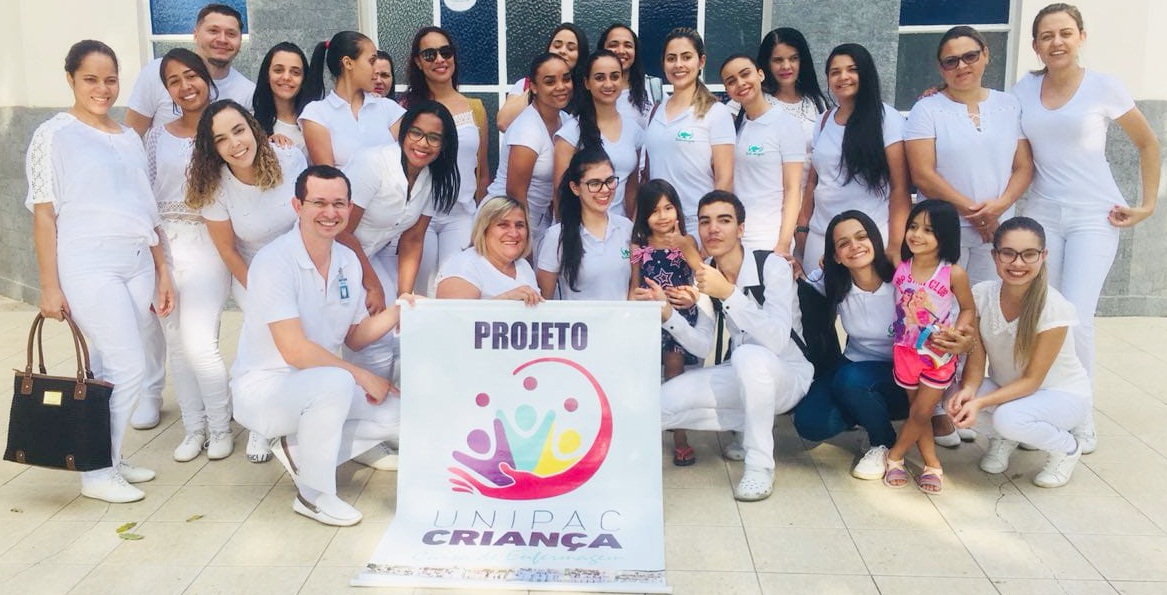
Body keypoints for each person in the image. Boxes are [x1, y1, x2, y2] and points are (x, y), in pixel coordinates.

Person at [27, 40, 175, 503]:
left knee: (110, 367)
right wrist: (49, 287)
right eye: (90, 79)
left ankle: (108, 455)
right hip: (88, 263)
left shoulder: (128, 136)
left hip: (137, 261)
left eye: (110, 79)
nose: (102, 88)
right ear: (70, 78)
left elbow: (146, 210)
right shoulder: (54, 134)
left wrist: (162, 270)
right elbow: (44, 214)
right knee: (129, 364)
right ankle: (95, 473)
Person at [1012, 3, 1160, 453]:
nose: (1056, 42)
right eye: (1046, 35)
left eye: (1065, 33)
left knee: (1076, 317)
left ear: (1081, 36)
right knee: (1042, 313)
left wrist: (1147, 205)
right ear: (1035, 45)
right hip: (1043, 214)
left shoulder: (1103, 87)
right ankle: (1044, 404)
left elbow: (1147, 143)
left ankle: (1080, 413)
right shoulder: (1023, 89)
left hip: (1094, 216)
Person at [231, 165, 407, 526]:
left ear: (349, 208)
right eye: (319, 203)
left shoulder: (347, 261)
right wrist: (361, 375)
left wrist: (399, 311)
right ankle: (313, 495)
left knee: (401, 414)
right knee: (338, 381)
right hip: (266, 389)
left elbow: (355, 335)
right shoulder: (274, 261)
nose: (330, 212)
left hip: (322, 386)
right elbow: (294, 350)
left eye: (339, 204)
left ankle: (302, 447)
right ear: (298, 206)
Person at [656, 191, 813, 501]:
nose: (713, 229)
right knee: (662, 402)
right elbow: (701, 345)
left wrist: (728, 293)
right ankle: (748, 421)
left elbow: (777, 339)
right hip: (742, 373)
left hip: (789, 374)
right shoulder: (706, 274)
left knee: (748, 355)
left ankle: (759, 465)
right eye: (705, 222)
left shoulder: (772, 266)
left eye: (724, 220)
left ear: (741, 229)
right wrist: (668, 315)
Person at [187, 99, 307, 463]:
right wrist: (262, 292)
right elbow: (227, 250)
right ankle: (260, 422)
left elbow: (309, 218)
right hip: (251, 270)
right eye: (221, 139)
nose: (235, 144)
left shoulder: (288, 159)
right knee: (267, 338)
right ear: (213, 148)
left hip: (298, 262)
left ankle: (298, 411)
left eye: (238, 130)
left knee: (307, 337)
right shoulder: (215, 186)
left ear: (253, 129)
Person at [948, 217, 1091, 488]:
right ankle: (1005, 437)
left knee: (1008, 418)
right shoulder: (981, 295)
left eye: (1028, 254)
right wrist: (968, 391)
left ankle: (1067, 448)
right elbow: (977, 363)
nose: (1017, 263)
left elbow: (1032, 382)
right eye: (1008, 253)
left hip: (1060, 395)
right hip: (1010, 391)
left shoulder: (1054, 307)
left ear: (1043, 256)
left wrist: (980, 403)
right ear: (995, 255)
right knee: (952, 398)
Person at [145, 49, 234, 462]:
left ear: (206, 78)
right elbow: (147, 195)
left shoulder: (223, 128)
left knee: (200, 342)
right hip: (164, 247)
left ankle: (220, 427)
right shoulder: (157, 135)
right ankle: (194, 428)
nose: (185, 86)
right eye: (174, 80)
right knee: (176, 345)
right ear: (167, 90)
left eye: (191, 75)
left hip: (208, 244)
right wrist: (155, 256)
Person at [339, 100, 459, 390]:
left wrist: (405, 295)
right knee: (370, 330)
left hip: (371, 253)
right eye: (416, 133)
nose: (423, 143)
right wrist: (373, 284)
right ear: (404, 133)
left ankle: (388, 400)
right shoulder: (373, 163)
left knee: (399, 325)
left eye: (434, 137)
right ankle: (363, 396)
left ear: (444, 144)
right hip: (336, 253)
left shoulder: (432, 176)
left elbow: (413, 238)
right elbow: (342, 231)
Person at [905, 26, 1033, 286]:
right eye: (951, 61)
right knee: (941, 303)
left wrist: (998, 209)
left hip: (998, 229)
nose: (961, 66)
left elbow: (1024, 166)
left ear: (985, 54)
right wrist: (979, 216)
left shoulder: (1009, 105)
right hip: (944, 231)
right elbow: (923, 174)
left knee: (988, 301)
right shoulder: (926, 110)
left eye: (970, 56)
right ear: (941, 68)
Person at [791, 211, 906, 479]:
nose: (854, 246)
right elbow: (802, 286)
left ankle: (884, 443)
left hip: (900, 376)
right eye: (843, 243)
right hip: (854, 366)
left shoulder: (901, 280)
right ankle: (868, 412)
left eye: (861, 237)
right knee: (810, 423)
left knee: (851, 379)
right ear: (835, 256)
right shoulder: (833, 282)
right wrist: (791, 271)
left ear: (875, 240)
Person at [882, 200, 976, 495]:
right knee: (916, 412)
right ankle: (931, 463)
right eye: (913, 226)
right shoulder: (900, 266)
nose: (916, 235)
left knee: (923, 412)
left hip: (937, 355)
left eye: (928, 230)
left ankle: (895, 455)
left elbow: (968, 308)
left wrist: (957, 333)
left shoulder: (953, 273)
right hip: (904, 352)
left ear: (945, 235)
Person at [798, 43, 909, 273]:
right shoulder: (823, 121)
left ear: (866, 73)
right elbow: (813, 182)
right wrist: (802, 227)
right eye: (835, 72)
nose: (843, 77)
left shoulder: (888, 119)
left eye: (852, 69)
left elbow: (900, 188)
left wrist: (896, 244)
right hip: (821, 236)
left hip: (868, 239)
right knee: (816, 296)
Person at [400, 27, 490, 296]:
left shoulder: (475, 108)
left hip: (461, 215)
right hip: (419, 215)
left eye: (445, 52)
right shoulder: (406, 108)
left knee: (456, 292)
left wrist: (479, 218)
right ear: (418, 62)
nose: (439, 59)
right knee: (420, 293)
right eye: (430, 54)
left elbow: (482, 171)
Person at [629, 179, 705, 466]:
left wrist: (693, 294)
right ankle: (643, 432)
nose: (662, 216)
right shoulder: (639, 246)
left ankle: (680, 437)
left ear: (677, 210)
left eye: (668, 208)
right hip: (648, 317)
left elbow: (701, 274)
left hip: (678, 317)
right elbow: (634, 285)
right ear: (644, 215)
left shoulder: (687, 241)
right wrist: (630, 314)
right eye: (654, 210)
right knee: (646, 374)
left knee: (675, 374)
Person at [644, 28, 734, 237]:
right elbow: (648, 173)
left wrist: (712, 228)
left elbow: (725, 179)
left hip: (697, 226)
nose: (678, 65)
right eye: (671, 58)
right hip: (658, 227)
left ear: (701, 61)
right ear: (663, 63)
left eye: (686, 57)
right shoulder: (655, 111)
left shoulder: (716, 112)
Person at [124, 3, 254, 136]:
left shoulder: (248, 93)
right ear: (195, 34)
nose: (222, 39)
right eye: (213, 31)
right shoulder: (159, 72)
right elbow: (131, 136)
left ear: (240, 40)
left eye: (231, 34)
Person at [486, 53, 573, 250]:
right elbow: (515, 194)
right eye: (550, 82)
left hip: (538, 222)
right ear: (533, 87)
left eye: (566, 79)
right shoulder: (527, 130)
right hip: (505, 221)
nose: (561, 86)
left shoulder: (566, 120)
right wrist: (525, 247)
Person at [721, 54, 805, 255]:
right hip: (736, 239)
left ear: (760, 74)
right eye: (731, 81)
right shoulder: (734, 127)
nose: (740, 83)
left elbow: (793, 190)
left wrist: (783, 243)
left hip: (769, 240)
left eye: (745, 74)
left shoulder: (787, 125)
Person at [552, 50, 644, 218]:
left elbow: (631, 191)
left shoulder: (634, 130)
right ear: (587, 83)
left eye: (614, 77)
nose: (608, 84)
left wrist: (633, 228)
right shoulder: (571, 133)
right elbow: (560, 195)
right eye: (600, 78)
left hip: (619, 228)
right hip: (580, 228)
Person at [537, 148, 632, 300]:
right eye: (594, 183)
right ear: (575, 188)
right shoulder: (556, 236)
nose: (605, 189)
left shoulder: (627, 228)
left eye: (610, 181)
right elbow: (544, 299)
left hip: (624, 316)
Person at [300, 30, 405, 167]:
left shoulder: (389, 108)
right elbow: (327, 175)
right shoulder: (316, 114)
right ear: (348, 63)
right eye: (371, 61)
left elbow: (405, 165)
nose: (376, 70)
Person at [756, 27, 830, 187]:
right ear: (767, 63)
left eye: (793, 58)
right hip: (766, 196)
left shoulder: (816, 102)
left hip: (809, 197)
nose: (786, 66)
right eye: (778, 60)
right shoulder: (755, 100)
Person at [435, 196, 542, 305]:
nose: (514, 233)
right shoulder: (464, 266)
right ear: (484, 230)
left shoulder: (523, 265)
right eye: (503, 225)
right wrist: (506, 299)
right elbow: (453, 314)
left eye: (519, 226)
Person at [496, 23, 589, 131]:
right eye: (557, 46)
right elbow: (503, 123)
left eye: (571, 48)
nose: (562, 51)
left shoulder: (588, 88)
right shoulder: (526, 84)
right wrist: (537, 85)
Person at [596, 23, 663, 129]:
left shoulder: (651, 88)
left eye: (628, 45)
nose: (621, 51)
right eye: (613, 45)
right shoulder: (591, 90)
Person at [253, 42, 311, 153]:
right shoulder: (252, 124)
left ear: (304, 79)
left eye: (295, 72)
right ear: (267, 75)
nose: (286, 77)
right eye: (278, 70)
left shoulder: (314, 119)